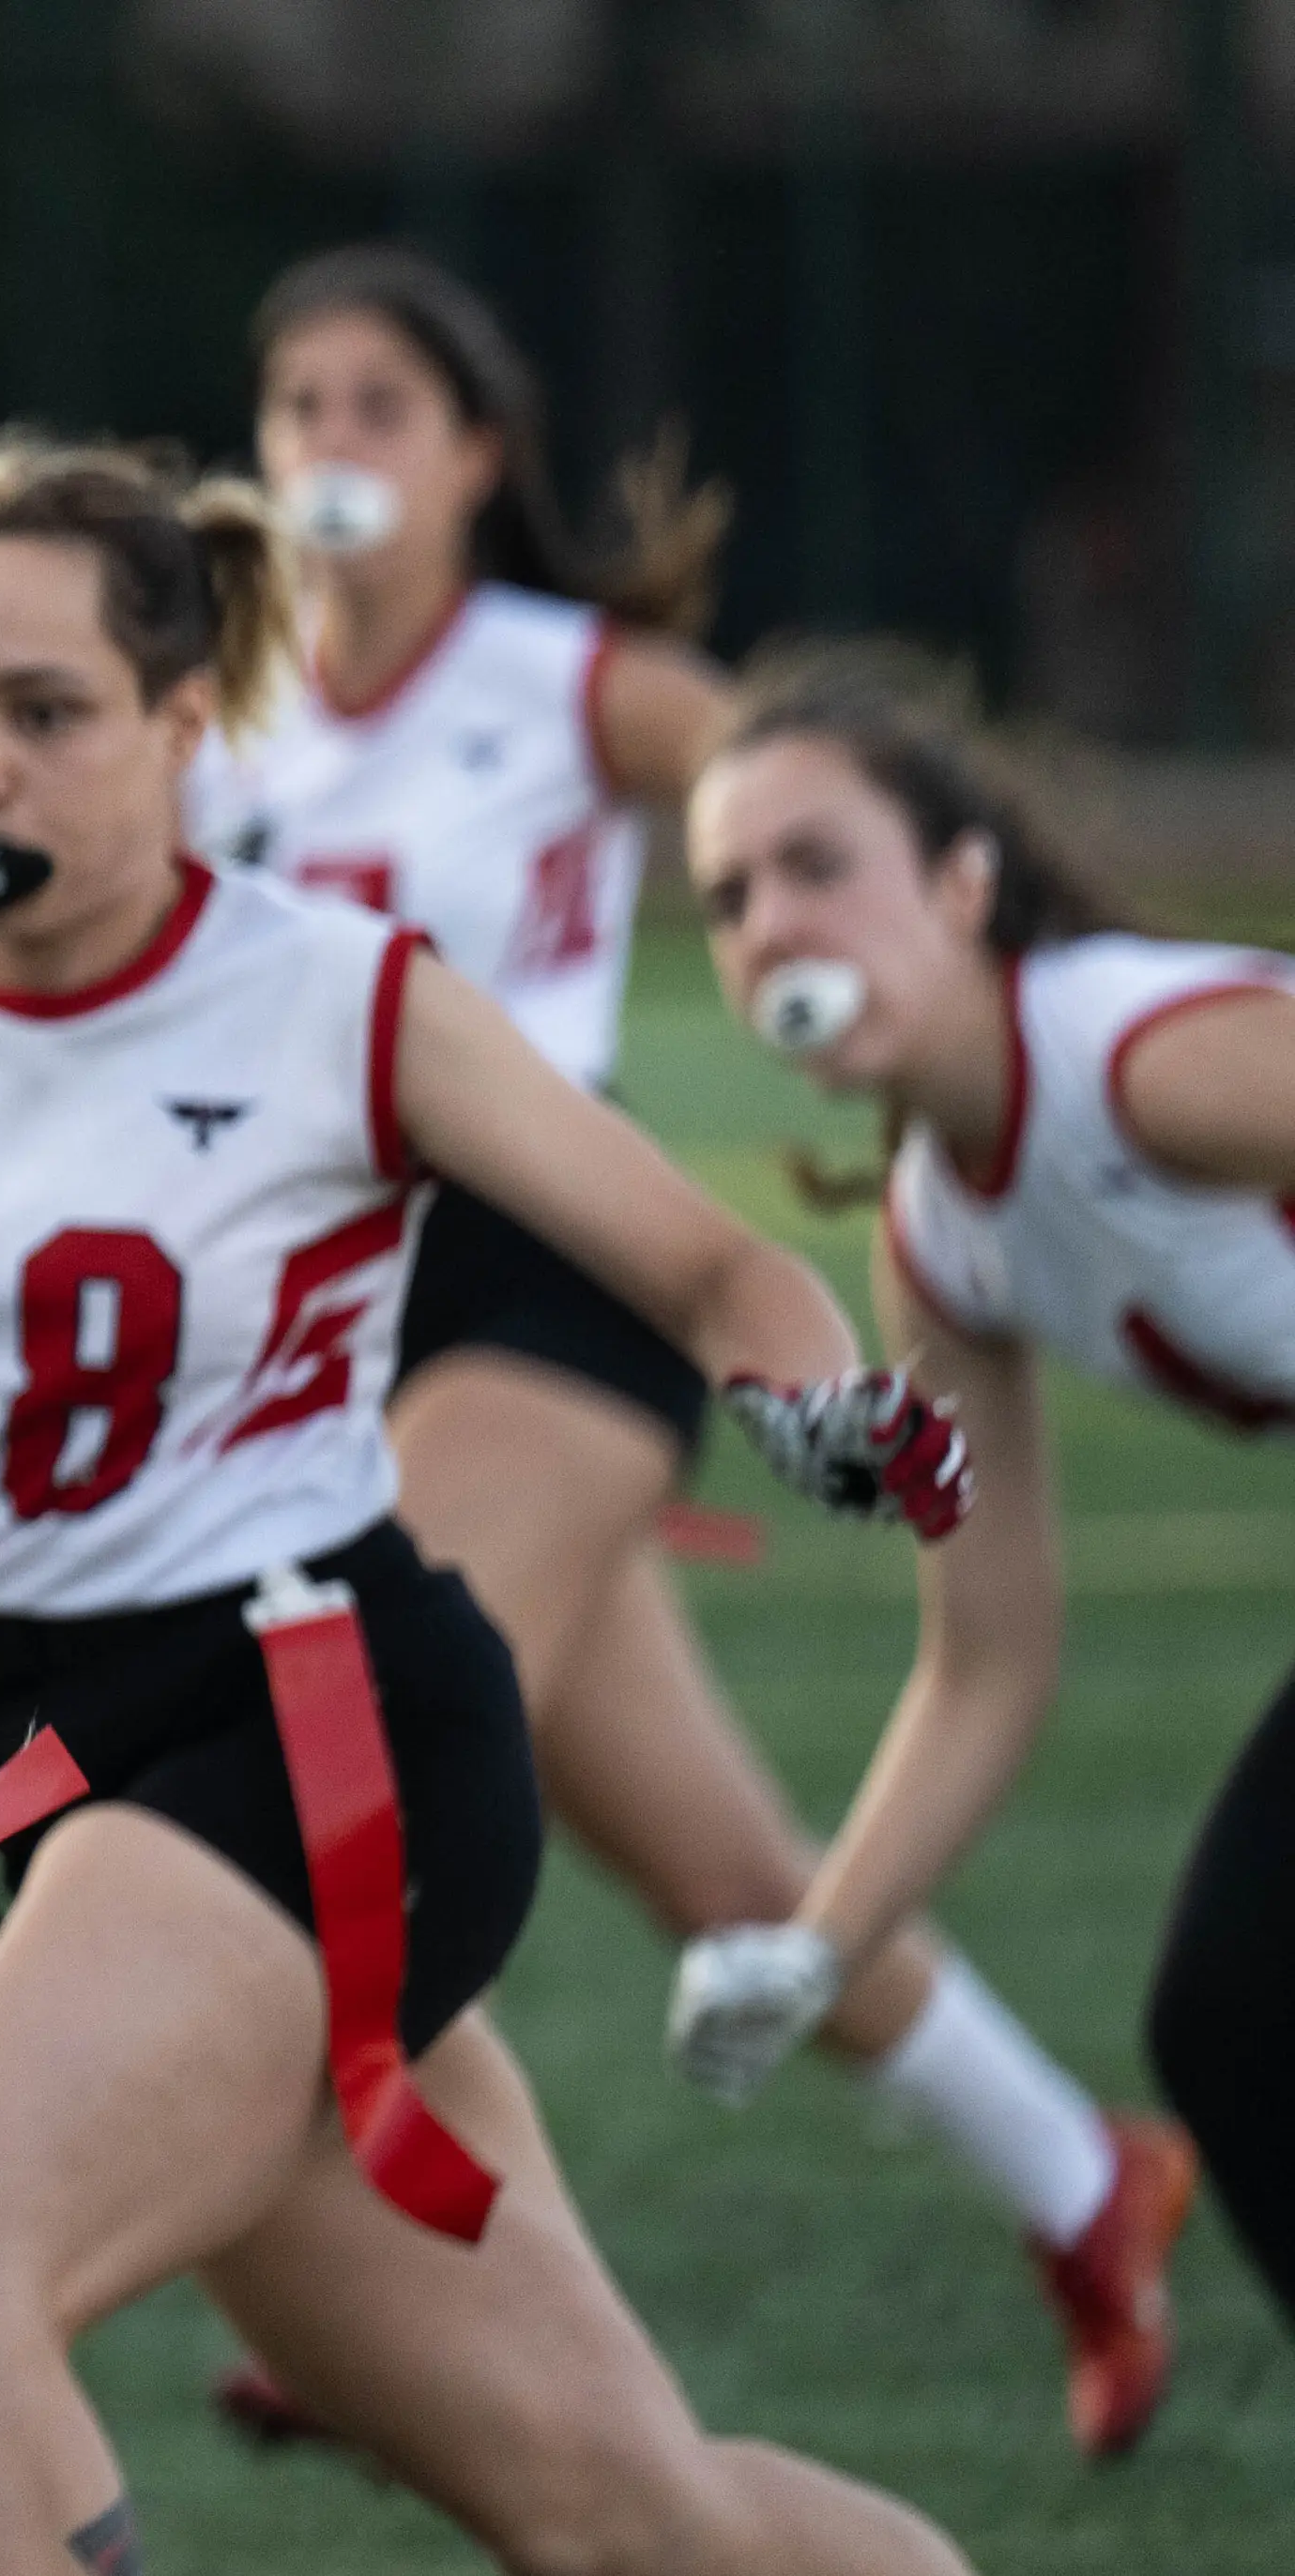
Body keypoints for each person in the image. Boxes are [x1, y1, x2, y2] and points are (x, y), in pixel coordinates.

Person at [0, 427, 975, 2574]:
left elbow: (713, 1264)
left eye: (42, 713)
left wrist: (820, 1400)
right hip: (64, 1777)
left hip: (319, 1740)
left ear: (185, 721)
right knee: (629, 2516)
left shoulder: (329, 989)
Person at [185, 243, 1181, 2457]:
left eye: (377, 407)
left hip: (558, 1265)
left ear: (474, 460)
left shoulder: (570, 675)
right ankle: (1087, 2180)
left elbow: (835, 820)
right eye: (297, 411)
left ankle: (378, 2234)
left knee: (365, 1701)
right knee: (740, 1883)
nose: (330, 449)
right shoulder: (224, 702)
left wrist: (933, 950)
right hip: (333, 1301)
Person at [667, 651, 1294, 2341]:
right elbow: (986, 1660)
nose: (773, 928)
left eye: (819, 866)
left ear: (962, 882)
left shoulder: (1137, 1067)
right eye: (730, 898)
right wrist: (824, 1944)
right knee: (1238, 2022)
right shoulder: (941, 1237)